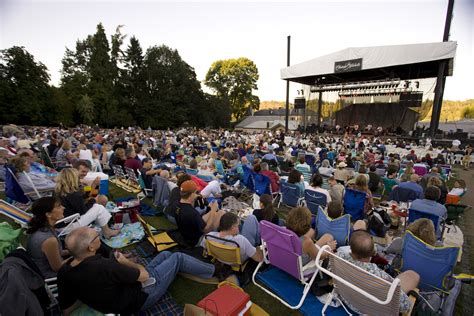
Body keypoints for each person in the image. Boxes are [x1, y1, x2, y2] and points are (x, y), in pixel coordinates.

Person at [58, 226, 216, 315]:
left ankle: (188, 267)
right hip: (141, 297)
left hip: (122, 295)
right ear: (91, 247)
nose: (99, 235)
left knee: (167, 254)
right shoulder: (105, 267)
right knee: (178, 258)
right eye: (96, 236)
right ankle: (214, 270)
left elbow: (66, 308)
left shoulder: (64, 271)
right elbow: (144, 275)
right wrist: (126, 262)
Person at [336, 230, 419, 314]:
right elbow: (405, 306)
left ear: (351, 248)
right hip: (370, 310)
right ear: (372, 253)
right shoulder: (380, 276)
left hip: (347, 299)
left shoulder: (338, 257)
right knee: (412, 276)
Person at [54, 168, 119, 239]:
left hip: (60, 224)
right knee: (98, 208)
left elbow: (87, 195)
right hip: (67, 226)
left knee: (98, 201)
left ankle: (102, 225)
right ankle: (107, 232)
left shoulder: (59, 190)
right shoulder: (73, 194)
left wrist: (94, 185)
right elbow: (83, 210)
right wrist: (93, 200)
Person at [26, 197, 69, 278]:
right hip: (49, 276)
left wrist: (74, 251)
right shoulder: (49, 239)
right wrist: (78, 257)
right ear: (48, 214)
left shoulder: (41, 228)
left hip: (40, 270)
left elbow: (57, 252)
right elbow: (57, 267)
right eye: (59, 206)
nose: (63, 207)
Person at [175, 180, 225, 246]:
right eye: (196, 192)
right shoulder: (191, 213)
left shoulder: (177, 205)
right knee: (220, 213)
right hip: (196, 241)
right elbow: (206, 229)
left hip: (186, 233)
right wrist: (213, 210)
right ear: (191, 194)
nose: (197, 194)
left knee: (219, 212)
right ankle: (219, 238)